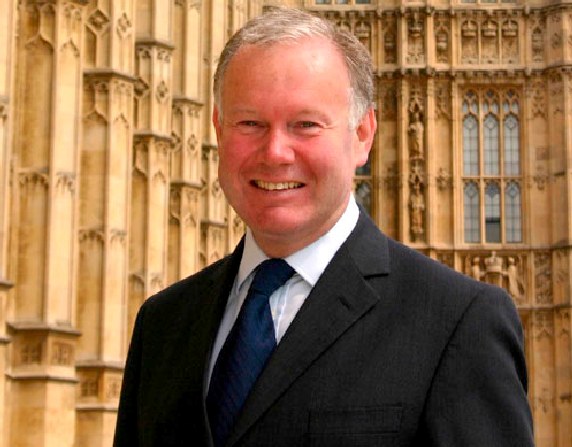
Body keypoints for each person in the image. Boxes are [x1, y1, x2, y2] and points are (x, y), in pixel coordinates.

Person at [114, 7, 533, 447]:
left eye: (306, 125)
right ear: (219, 130)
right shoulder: (161, 326)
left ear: (363, 135)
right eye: (250, 123)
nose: (275, 152)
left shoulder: (458, 323)